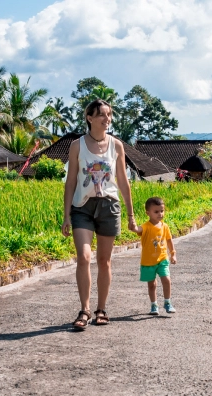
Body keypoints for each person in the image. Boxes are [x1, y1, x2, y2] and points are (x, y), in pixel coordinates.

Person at [62, 99, 135, 330]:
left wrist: (131, 213)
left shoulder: (117, 146)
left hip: (109, 206)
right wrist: (66, 215)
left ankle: (101, 309)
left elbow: (123, 180)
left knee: (104, 261)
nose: (107, 119)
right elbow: (71, 181)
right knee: (84, 257)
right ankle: (84, 309)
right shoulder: (77, 145)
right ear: (89, 118)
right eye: (102, 115)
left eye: (109, 115)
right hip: (82, 207)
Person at [131, 197, 177, 315]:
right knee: (152, 285)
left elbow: (169, 240)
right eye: (156, 212)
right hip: (148, 262)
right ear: (148, 213)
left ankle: (167, 302)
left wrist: (173, 254)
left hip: (162, 259)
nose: (160, 214)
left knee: (167, 280)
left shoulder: (165, 226)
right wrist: (133, 226)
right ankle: (154, 305)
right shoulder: (146, 226)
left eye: (162, 211)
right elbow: (137, 229)